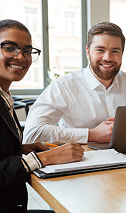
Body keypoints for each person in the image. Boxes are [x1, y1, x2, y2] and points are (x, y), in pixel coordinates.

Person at [23, 22, 126, 144]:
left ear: (122, 54)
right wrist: (91, 134)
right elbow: (32, 133)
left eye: (115, 51)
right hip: (81, 162)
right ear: (88, 52)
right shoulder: (64, 86)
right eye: (100, 50)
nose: (107, 57)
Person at [0, 19, 84, 213]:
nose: (20, 56)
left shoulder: (5, 97)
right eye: (9, 47)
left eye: (27, 50)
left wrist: (20, 148)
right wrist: (44, 159)